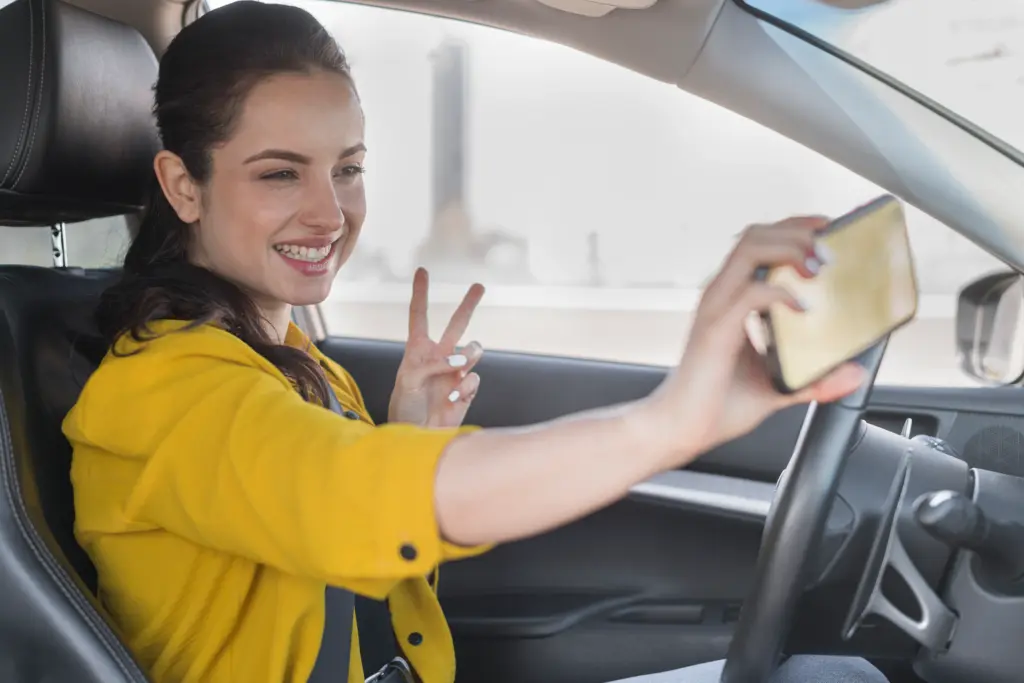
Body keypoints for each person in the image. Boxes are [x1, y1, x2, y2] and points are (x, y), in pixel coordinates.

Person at [62, 3, 889, 683]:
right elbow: (364, 495)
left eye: (347, 168)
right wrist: (673, 421)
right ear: (182, 185)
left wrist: (411, 434)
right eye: (281, 173)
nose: (330, 212)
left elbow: (350, 547)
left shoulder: (289, 363)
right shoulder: (164, 390)